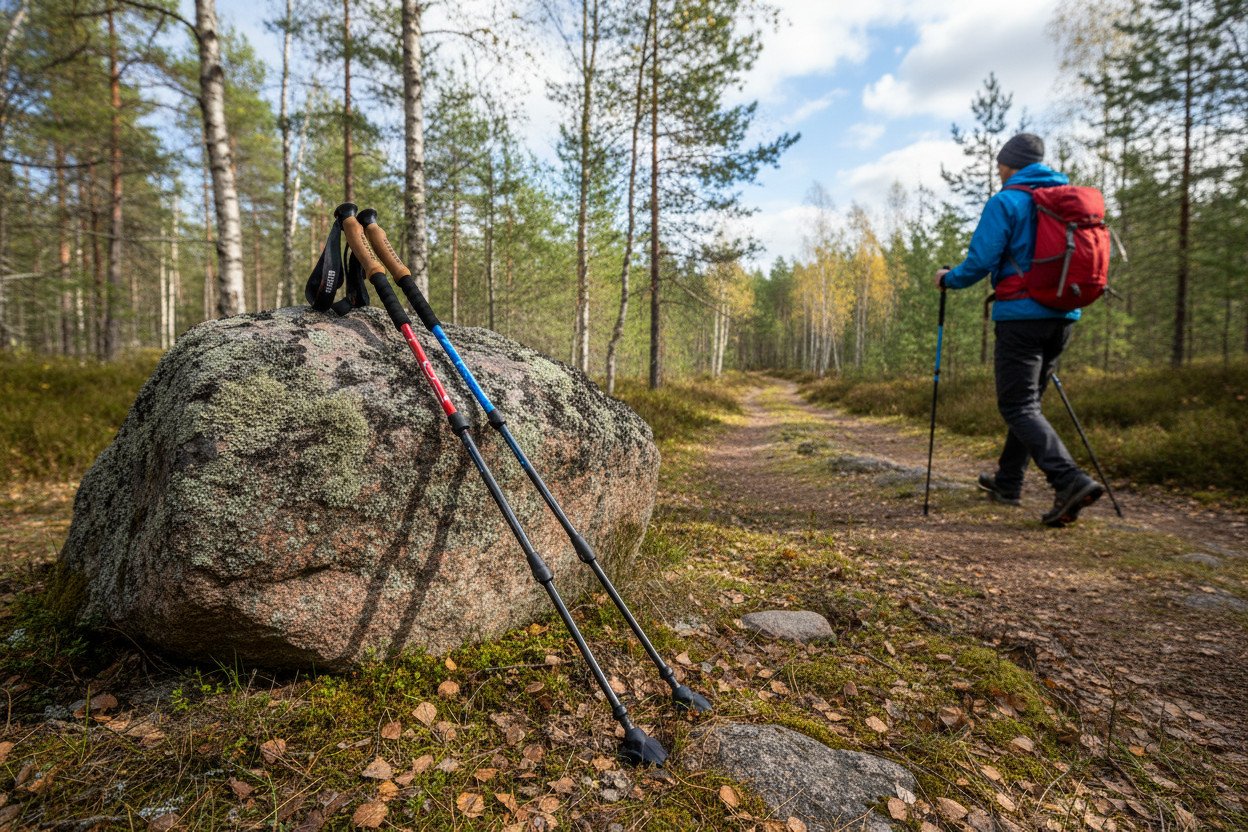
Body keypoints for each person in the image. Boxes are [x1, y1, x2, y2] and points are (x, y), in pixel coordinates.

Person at [935, 132, 1103, 527]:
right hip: (1064, 315)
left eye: (1000, 165)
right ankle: (1008, 483)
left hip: (1021, 316)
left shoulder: (1007, 200)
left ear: (1010, 165)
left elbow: (981, 259)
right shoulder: (1066, 202)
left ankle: (1069, 479)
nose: (998, 171)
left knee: (1017, 405)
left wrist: (949, 279)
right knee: (1028, 405)